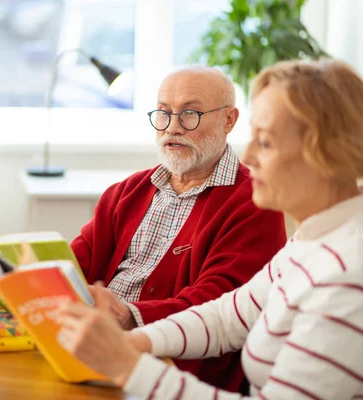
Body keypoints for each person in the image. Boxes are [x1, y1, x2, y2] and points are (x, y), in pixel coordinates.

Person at [0, 66, 287, 391]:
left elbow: (221, 305)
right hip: (90, 350)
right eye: (163, 113)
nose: (172, 127)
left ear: (229, 120)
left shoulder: (256, 201)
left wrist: (128, 315)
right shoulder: (125, 193)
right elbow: (70, 265)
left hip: (169, 369)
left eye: (190, 114)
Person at [57, 58, 363, 399]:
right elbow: (225, 317)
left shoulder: (347, 276)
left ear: (325, 152)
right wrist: (129, 343)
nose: (248, 157)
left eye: (266, 142)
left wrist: (126, 364)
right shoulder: (311, 241)